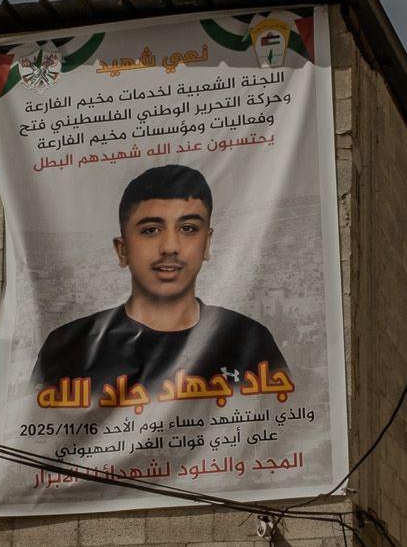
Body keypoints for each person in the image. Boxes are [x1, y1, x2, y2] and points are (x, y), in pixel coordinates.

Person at [31, 164, 288, 393]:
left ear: (207, 244)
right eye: (151, 230)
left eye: (188, 229)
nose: (170, 247)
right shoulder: (68, 348)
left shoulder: (250, 343)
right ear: (123, 250)